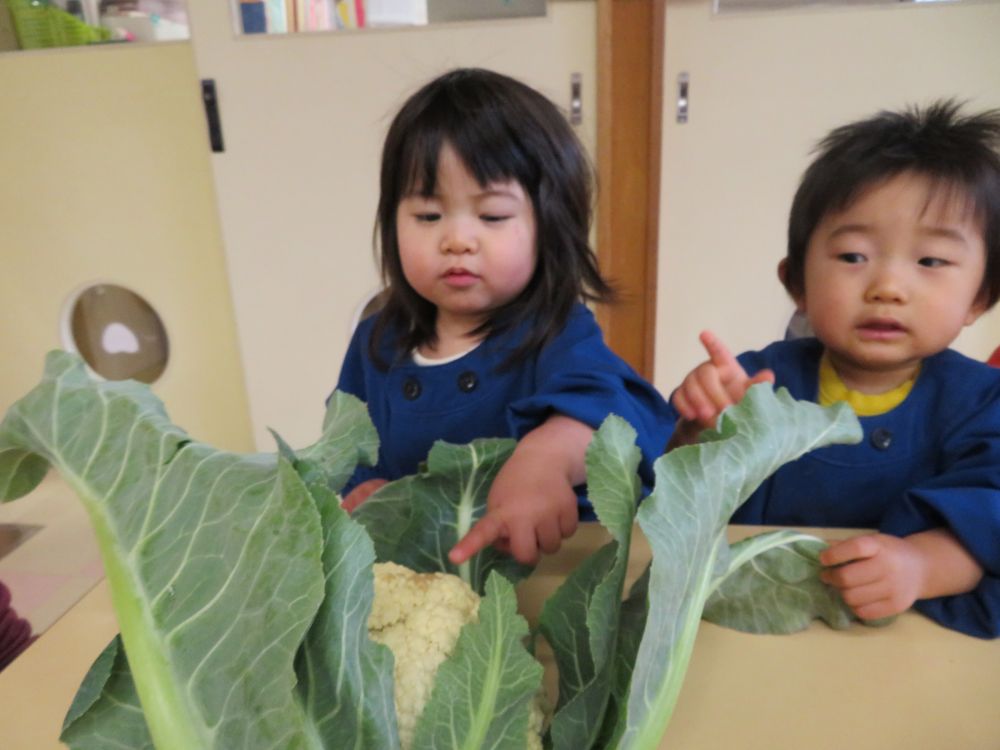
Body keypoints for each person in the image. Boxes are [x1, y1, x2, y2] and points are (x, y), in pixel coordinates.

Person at [668, 100, 1000, 638]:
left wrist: (919, 566)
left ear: (980, 297)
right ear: (796, 281)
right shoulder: (756, 383)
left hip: (905, 637)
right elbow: (676, 505)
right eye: (852, 257)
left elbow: (990, 518)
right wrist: (699, 433)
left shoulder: (985, 403)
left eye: (931, 261)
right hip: (744, 625)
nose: (888, 287)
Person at [335, 68, 673, 566]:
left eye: (491, 216)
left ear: (549, 228)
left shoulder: (556, 333)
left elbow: (617, 413)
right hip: (417, 573)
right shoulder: (375, 343)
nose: (457, 240)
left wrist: (544, 460)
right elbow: (346, 447)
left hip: (542, 571)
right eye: (428, 216)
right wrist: (364, 491)